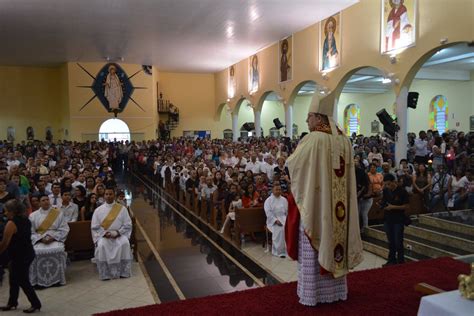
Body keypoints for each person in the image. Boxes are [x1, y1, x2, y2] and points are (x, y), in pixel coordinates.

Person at [286, 96, 363, 306]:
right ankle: (336, 291)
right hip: (340, 209)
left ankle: (314, 294)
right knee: (334, 238)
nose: (306, 121)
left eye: (308, 116)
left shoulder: (313, 139)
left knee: (314, 246)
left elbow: (294, 166)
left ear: (318, 117)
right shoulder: (345, 140)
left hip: (317, 205)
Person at [0, 199, 41, 313]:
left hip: (20, 255)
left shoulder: (11, 223)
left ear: (12, 211)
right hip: (26, 252)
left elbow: (4, 243)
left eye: (6, 211)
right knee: (13, 278)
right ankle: (12, 302)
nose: (5, 213)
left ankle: (36, 304)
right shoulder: (26, 220)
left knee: (23, 280)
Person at [91, 188, 132, 280]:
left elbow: (127, 225)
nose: (108, 196)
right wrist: (105, 234)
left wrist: (117, 233)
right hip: (104, 236)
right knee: (101, 245)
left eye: (110, 194)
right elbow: (95, 226)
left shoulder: (122, 209)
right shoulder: (98, 210)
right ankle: (106, 273)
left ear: (114, 195)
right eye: (106, 194)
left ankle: (123, 272)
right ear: (104, 196)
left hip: (119, 235)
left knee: (125, 243)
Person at [29, 194, 69, 287]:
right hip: (39, 240)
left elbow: (64, 229)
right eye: (43, 200)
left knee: (58, 250)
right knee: (35, 252)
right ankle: (38, 281)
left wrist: (53, 237)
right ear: (39, 203)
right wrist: (40, 239)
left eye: (47, 199)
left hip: (54, 238)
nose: (46, 201)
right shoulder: (33, 216)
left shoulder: (58, 213)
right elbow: (30, 232)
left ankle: (58, 279)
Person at [380, 173, 409, 266]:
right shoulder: (385, 191)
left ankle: (401, 260)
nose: (387, 186)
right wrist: (382, 205)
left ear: (394, 182)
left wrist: (393, 207)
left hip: (398, 219)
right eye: (385, 184)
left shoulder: (402, 191)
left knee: (398, 241)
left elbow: (406, 206)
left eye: (389, 184)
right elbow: (384, 202)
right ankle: (391, 260)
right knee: (390, 241)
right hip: (388, 218)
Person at [264, 184, 288, 257]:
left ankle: (288, 250)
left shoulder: (284, 199)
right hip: (273, 220)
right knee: (280, 230)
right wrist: (276, 221)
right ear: (273, 190)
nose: (278, 191)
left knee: (289, 228)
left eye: (279, 189)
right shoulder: (269, 200)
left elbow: (287, 212)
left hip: (284, 218)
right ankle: (279, 251)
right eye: (276, 189)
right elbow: (268, 213)